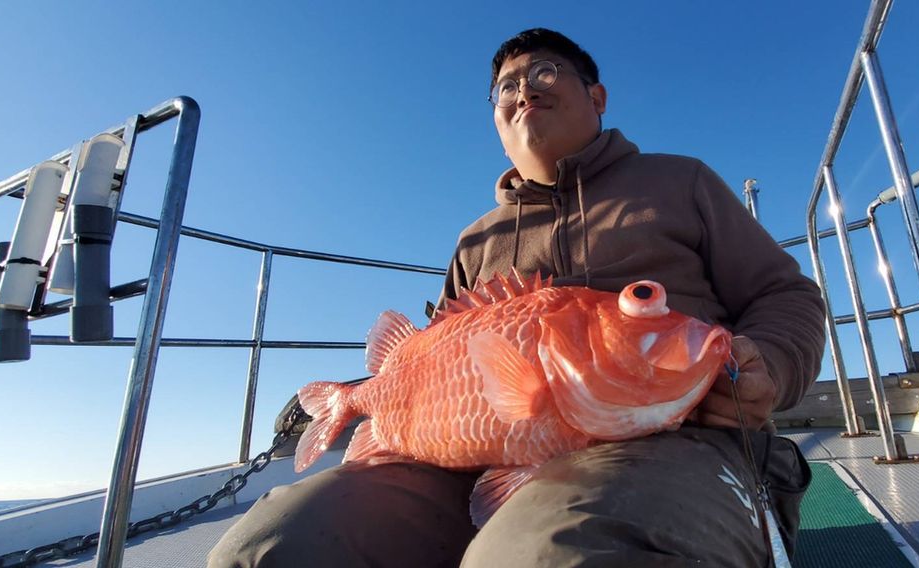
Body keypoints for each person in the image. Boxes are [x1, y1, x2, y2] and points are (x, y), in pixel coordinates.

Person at [210, 28, 824, 568]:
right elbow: (429, 359)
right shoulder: (477, 239)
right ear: (496, 119)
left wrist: (770, 360)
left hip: (669, 444)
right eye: (506, 87)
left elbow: (785, 294)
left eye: (546, 73)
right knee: (273, 546)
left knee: (550, 554)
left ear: (598, 97)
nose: (525, 89)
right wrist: (373, 409)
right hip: (464, 465)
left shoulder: (680, 182)